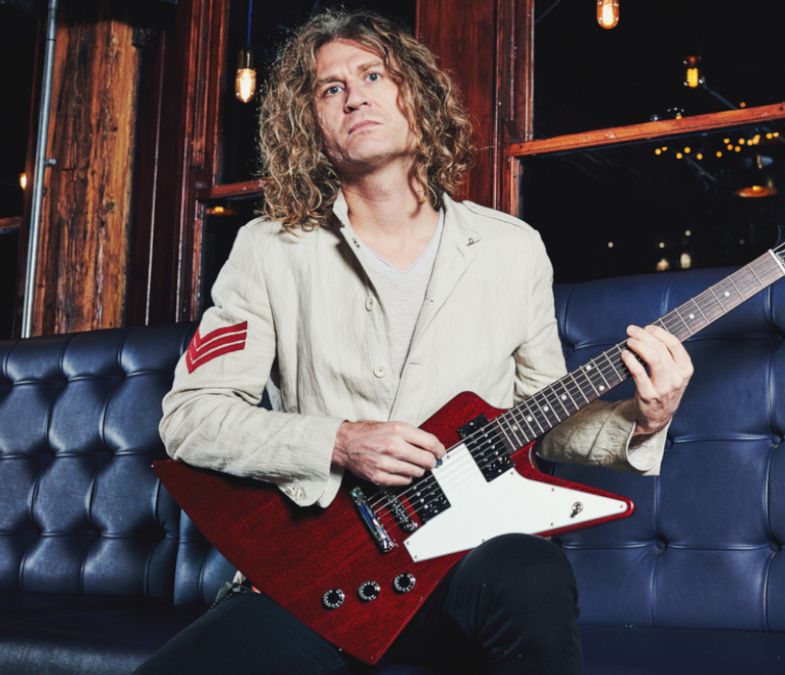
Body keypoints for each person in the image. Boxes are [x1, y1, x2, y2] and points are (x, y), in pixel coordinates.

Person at [136, 8, 692, 675]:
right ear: (310, 124)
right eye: (330, 88)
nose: (355, 95)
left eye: (373, 73)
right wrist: (339, 441)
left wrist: (643, 418)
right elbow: (189, 418)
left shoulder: (513, 250)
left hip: (460, 564)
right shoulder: (268, 249)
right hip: (321, 574)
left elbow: (538, 418)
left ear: (417, 98)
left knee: (530, 570)